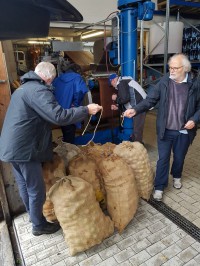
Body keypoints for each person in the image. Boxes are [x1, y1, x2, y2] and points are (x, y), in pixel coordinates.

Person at [0, 61, 102, 236]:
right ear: (48, 77)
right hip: (25, 150)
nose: (52, 84)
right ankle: (38, 226)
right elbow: (58, 116)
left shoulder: (23, 89)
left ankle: (34, 217)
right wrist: (85, 109)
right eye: (52, 80)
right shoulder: (38, 90)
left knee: (24, 186)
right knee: (36, 190)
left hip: (11, 148)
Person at [124, 53, 200, 201]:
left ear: (185, 69)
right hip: (165, 129)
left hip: (184, 130)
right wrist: (136, 109)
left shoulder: (195, 84)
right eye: (170, 68)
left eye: (175, 68)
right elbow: (150, 100)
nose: (171, 71)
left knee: (179, 157)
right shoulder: (164, 82)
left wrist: (194, 120)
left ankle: (177, 176)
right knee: (163, 158)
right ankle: (159, 186)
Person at [53, 62, 89, 143]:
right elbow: (80, 91)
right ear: (77, 71)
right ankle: (69, 151)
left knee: (65, 130)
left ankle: (66, 144)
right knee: (70, 133)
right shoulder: (77, 78)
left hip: (59, 111)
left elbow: (52, 93)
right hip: (70, 111)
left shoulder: (58, 79)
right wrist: (75, 104)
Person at [109, 73, 147, 143]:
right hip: (139, 104)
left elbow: (125, 99)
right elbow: (127, 100)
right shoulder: (124, 81)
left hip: (140, 105)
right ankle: (135, 144)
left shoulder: (121, 83)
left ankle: (138, 149)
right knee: (136, 128)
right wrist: (117, 107)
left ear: (113, 81)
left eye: (111, 84)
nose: (113, 86)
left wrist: (116, 98)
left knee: (137, 129)